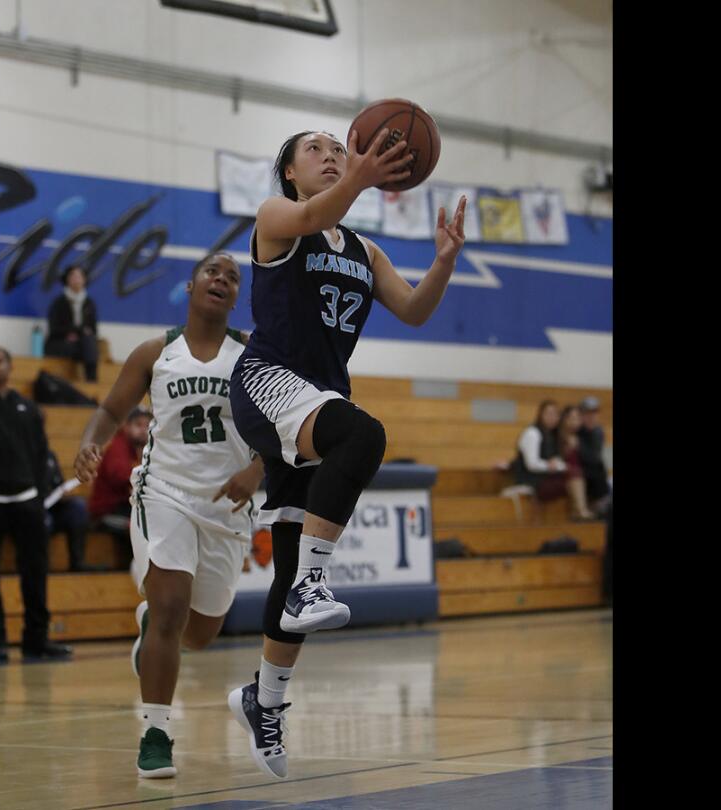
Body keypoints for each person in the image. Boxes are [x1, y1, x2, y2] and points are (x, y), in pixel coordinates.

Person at [225, 128, 467, 779]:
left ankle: (264, 698)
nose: (332, 156)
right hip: (268, 381)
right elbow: (311, 214)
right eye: (317, 151)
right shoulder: (279, 219)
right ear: (289, 174)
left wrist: (443, 260)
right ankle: (313, 581)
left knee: (283, 574)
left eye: (339, 147)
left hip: (316, 401)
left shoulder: (363, 248)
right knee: (364, 435)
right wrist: (360, 175)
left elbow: (414, 310)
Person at [74, 253, 266, 779]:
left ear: (235, 296)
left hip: (227, 504)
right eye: (213, 272)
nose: (221, 280)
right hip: (165, 493)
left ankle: (148, 629)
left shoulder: (252, 355)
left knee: (200, 633)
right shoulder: (156, 351)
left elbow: (284, 426)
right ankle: (155, 733)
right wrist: (92, 444)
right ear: (191, 285)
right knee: (171, 606)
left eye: (232, 277)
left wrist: (258, 469)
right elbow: (111, 411)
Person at [0, 346, 73, 663]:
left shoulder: (27, 407)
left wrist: (39, 498)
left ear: (10, 367)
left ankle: (36, 640)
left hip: (28, 500)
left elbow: (42, 457)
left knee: (35, 572)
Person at [87, 407, 152, 567]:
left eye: (147, 425)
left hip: (128, 506)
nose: (143, 430)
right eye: (138, 425)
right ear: (126, 426)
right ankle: (133, 568)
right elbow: (121, 476)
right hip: (108, 510)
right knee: (139, 526)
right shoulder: (118, 447)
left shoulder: (147, 449)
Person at [45, 264, 100, 382]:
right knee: (86, 345)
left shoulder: (89, 303)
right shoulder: (59, 302)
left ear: (84, 280)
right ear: (67, 280)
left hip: (82, 345)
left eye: (80, 276)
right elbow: (53, 329)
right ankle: (91, 380)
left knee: (89, 341)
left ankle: (92, 381)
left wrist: (79, 333)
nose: (77, 279)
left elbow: (93, 330)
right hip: (61, 342)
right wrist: (74, 332)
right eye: (73, 276)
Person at [513, 399, 569, 504]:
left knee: (578, 477)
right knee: (571, 482)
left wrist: (559, 465)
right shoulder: (532, 433)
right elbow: (532, 464)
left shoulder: (554, 436)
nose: (552, 417)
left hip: (547, 477)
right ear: (540, 415)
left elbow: (558, 461)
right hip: (531, 480)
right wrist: (549, 466)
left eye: (555, 414)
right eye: (549, 413)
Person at [556, 404, 596, 520]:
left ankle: (578, 512)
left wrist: (579, 447)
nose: (575, 422)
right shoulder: (558, 435)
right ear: (565, 419)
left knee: (586, 474)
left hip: (580, 471)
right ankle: (581, 509)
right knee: (575, 474)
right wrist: (567, 449)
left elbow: (591, 458)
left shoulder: (582, 435)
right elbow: (555, 457)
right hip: (562, 471)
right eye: (572, 418)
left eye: (578, 418)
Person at [577, 395, 611, 515]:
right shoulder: (576, 430)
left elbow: (593, 456)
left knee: (598, 467)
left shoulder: (598, 431)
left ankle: (602, 501)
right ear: (581, 415)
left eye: (594, 413)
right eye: (587, 413)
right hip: (579, 469)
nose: (591, 417)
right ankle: (601, 501)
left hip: (593, 469)